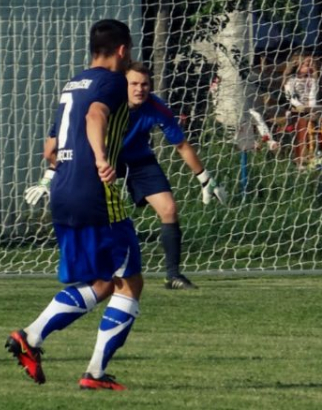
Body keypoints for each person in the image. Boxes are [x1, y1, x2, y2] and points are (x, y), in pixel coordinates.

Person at [6, 19, 141, 391]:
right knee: (128, 282)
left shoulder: (73, 83)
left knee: (101, 282)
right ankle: (89, 370)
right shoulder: (113, 81)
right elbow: (95, 115)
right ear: (122, 50)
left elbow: (50, 149)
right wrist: (99, 157)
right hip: (97, 191)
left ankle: (34, 340)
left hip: (64, 189)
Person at [25, 62, 227, 291]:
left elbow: (181, 145)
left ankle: (173, 275)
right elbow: (53, 146)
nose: (140, 89)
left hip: (139, 161)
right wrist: (50, 176)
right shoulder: (101, 103)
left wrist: (204, 178)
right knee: (95, 212)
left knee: (169, 209)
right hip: (101, 160)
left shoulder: (156, 106)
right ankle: (94, 270)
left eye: (145, 84)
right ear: (123, 84)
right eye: (134, 84)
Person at [283, 54, 320, 167]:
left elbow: (313, 96)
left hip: (309, 108)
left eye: (311, 65)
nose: (309, 67)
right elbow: (291, 98)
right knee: (301, 122)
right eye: (306, 64)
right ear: (297, 65)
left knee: (314, 120)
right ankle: (300, 157)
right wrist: (301, 107)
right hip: (295, 109)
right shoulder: (291, 80)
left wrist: (311, 108)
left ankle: (313, 156)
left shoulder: (312, 81)